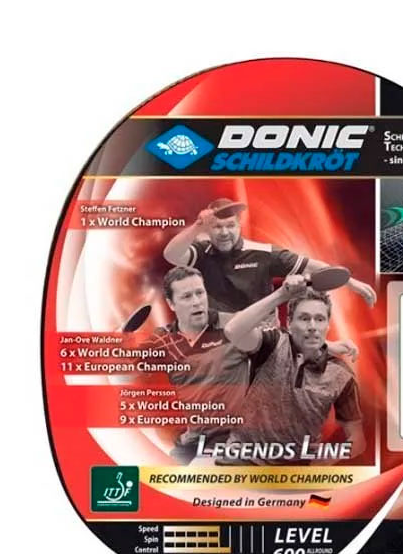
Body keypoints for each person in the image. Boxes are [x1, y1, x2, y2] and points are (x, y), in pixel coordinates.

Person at [145, 266, 359, 464]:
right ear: (171, 304)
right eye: (186, 296)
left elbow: (286, 337)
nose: (196, 302)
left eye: (199, 293)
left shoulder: (235, 325)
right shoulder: (162, 339)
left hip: (229, 440)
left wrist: (326, 346)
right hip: (193, 439)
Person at [219, 274, 365, 465]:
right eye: (304, 318)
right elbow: (232, 331)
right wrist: (282, 294)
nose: (312, 326)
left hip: (296, 469)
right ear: (289, 323)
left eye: (319, 319)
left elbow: (357, 441)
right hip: (243, 460)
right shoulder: (272, 344)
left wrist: (321, 464)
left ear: (328, 325)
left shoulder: (341, 375)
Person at [162, 198, 376, 314]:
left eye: (230, 225)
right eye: (217, 227)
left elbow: (312, 266)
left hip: (263, 337)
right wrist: (197, 227)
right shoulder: (201, 252)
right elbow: (171, 255)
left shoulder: (264, 253)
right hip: (220, 338)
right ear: (208, 230)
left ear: (239, 225)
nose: (224, 232)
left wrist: (351, 282)